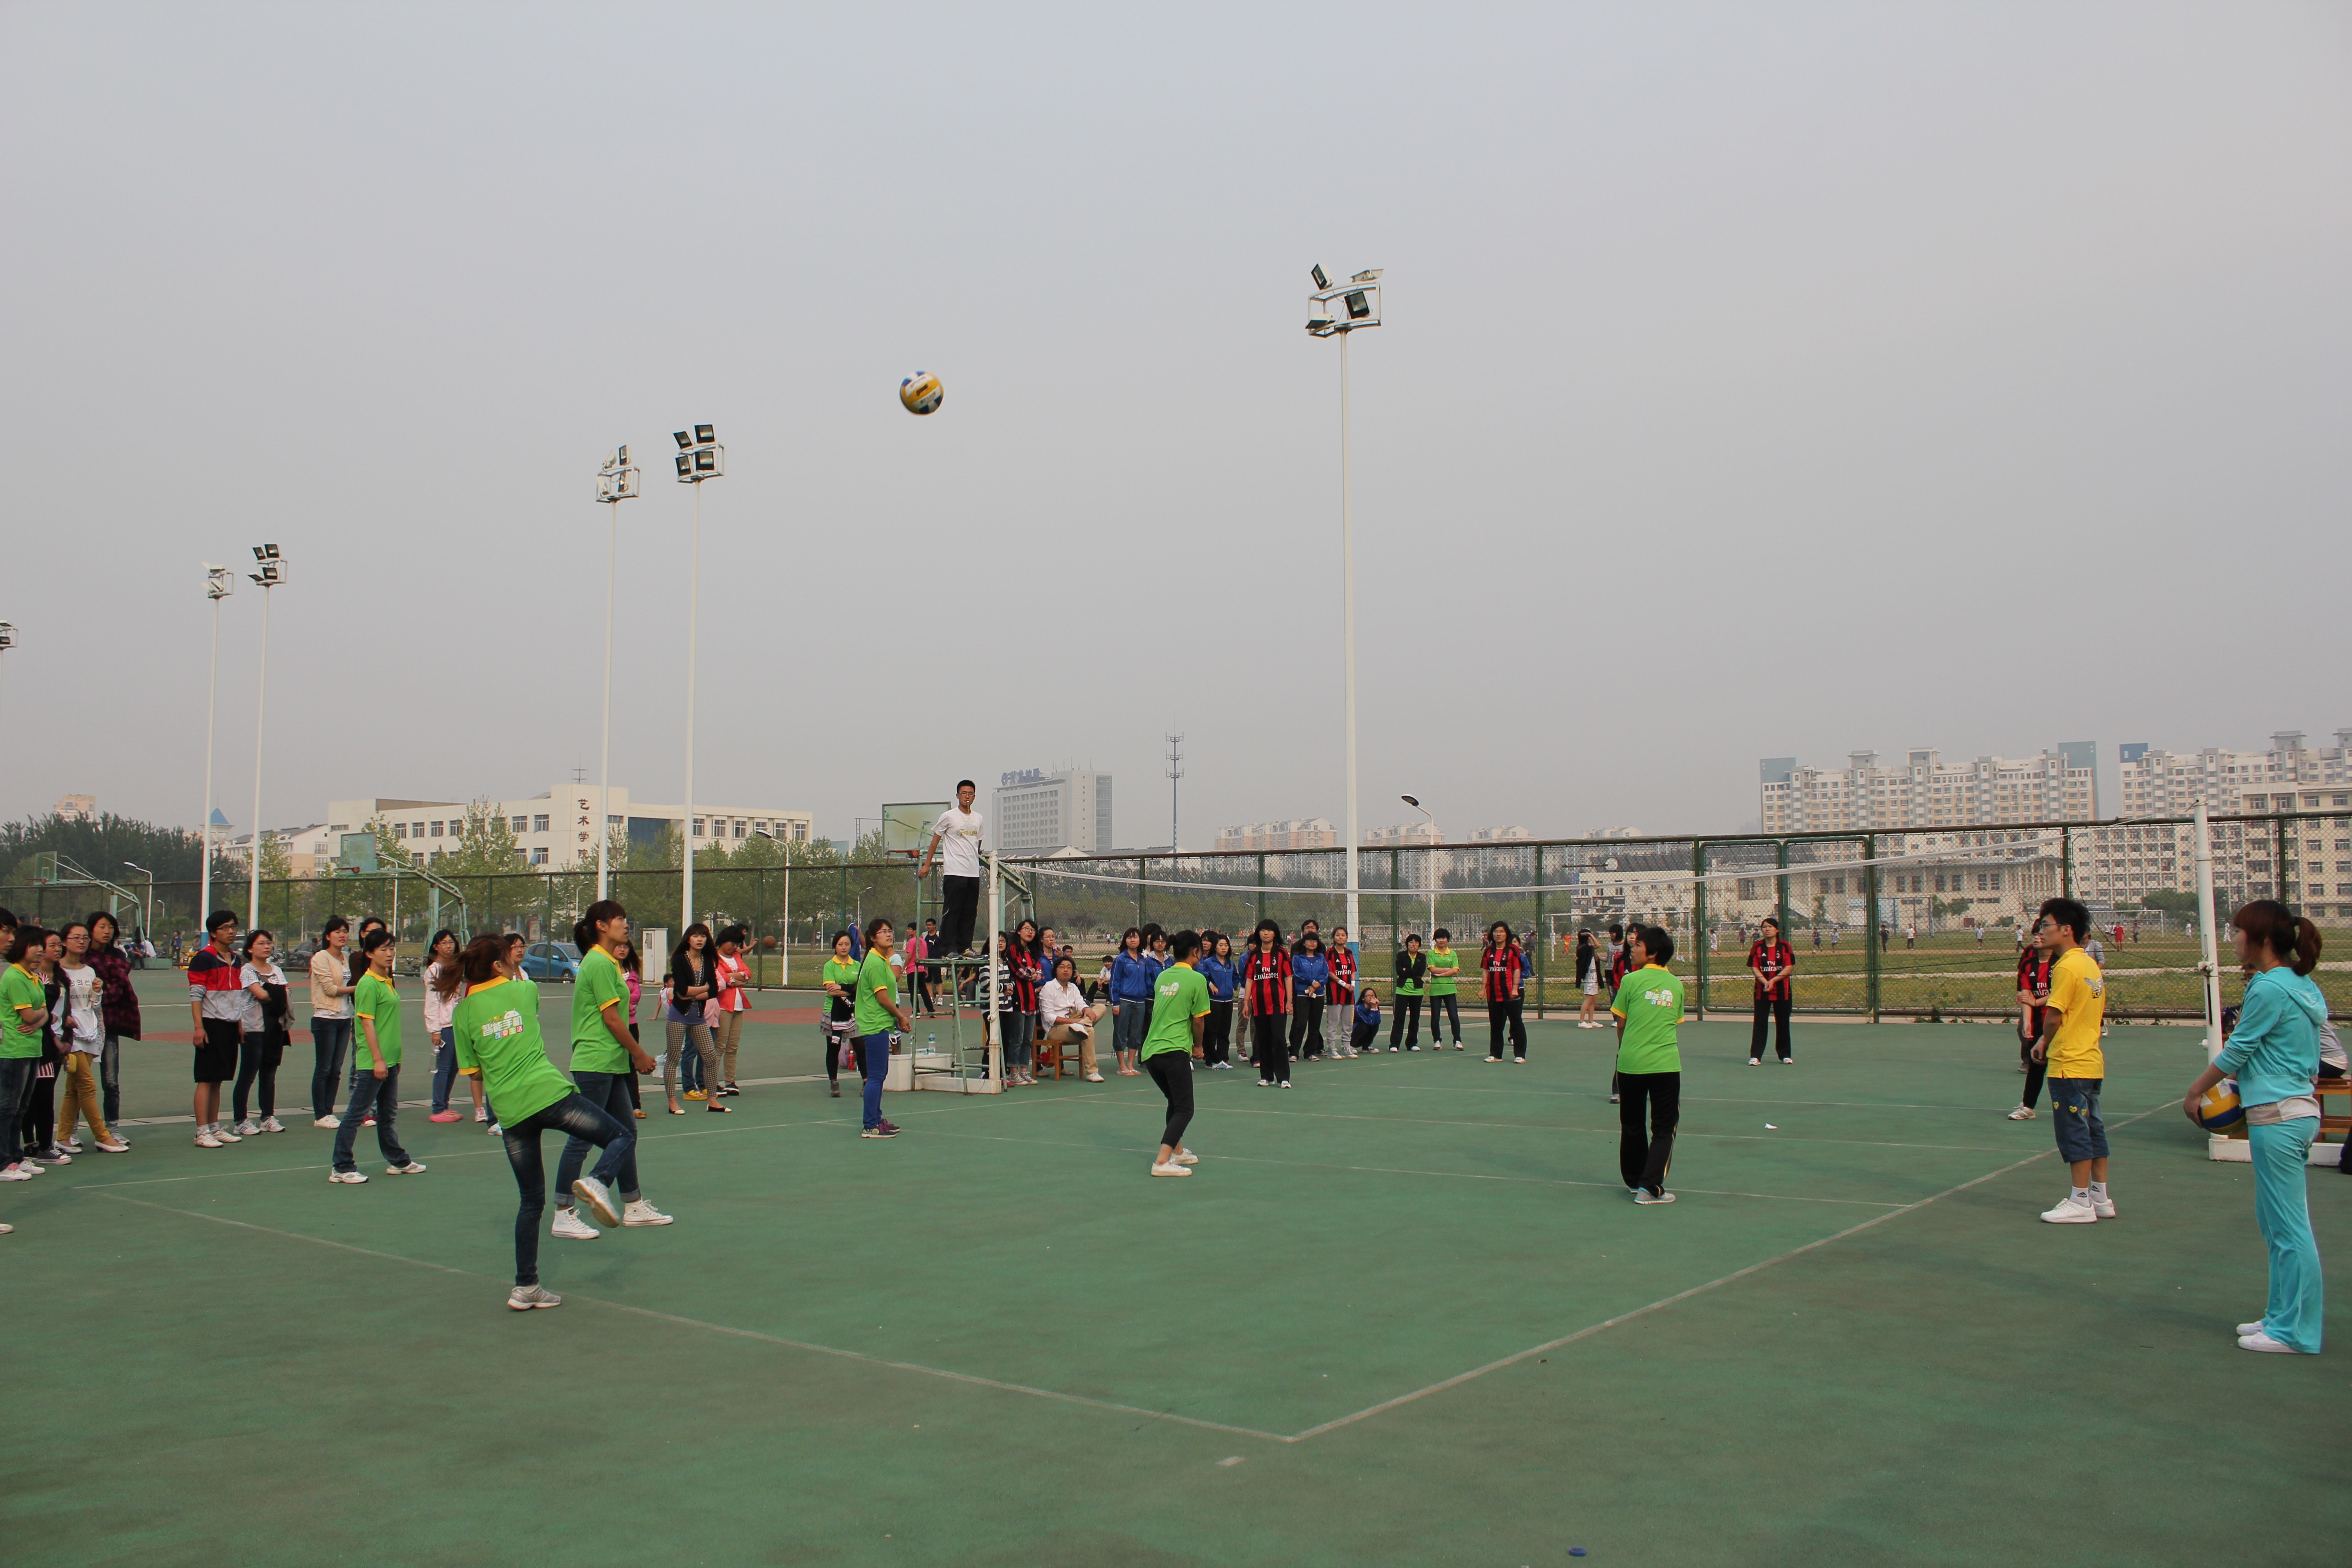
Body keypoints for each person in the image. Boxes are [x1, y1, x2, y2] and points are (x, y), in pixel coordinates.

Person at [450, 932, 635, 1311]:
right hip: (548, 1095)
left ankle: (526, 1287)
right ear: (499, 965)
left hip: (510, 1113)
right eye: (510, 955)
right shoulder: (525, 991)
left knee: (531, 1201)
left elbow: (474, 1071)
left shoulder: (462, 1013)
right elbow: (522, 999)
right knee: (621, 1136)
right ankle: (598, 1180)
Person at [2182, 902, 2326, 1353]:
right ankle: (2280, 1316)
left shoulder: (2268, 987)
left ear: (2261, 939)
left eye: (2239, 931)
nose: (2234, 939)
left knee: (2290, 1228)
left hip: (2281, 1117)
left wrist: (2195, 1092)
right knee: (2275, 1223)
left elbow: (2238, 1049)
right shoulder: (2299, 983)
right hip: (2291, 1113)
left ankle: (2296, 1332)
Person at [549, 900, 669, 1240]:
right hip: (596, 1061)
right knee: (582, 1138)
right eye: (620, 919)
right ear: (601, 926)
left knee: (627, 1132)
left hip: (610, 1063)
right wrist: (639, 1055)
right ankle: (565, 1210)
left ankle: (633, 1205)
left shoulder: (608, 962)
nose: (626, 925)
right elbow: (612, 1019)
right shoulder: (600, 963)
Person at [2027, 897, 2111, 1225]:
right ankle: (2100, 1196)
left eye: (2046, 925)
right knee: (2094, 1129)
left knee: (2074, 1131)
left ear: (2066, 930)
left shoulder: (2065, 967)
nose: (2041, 930)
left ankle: (2080, 1201)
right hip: (2091, 1061)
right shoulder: (2089, 965)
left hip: (2069, 1064)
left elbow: (2054, 1015)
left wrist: (2044, 1040)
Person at [328, 930, 423, 1183]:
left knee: (388, 1114)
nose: (390, 953)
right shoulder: (368, 984)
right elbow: (367, 1024)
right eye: (383, 949)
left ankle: (398, 1160)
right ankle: (341, 1166)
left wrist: (395, 1058)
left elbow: (389, 1023)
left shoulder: (386, 981)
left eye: (392, 948)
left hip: (389, 1060)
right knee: (356, 1114)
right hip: (373, 1062)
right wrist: (378, 1059)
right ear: (370, 954)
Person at [1611, 924, 1684, 1205]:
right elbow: (1673, 1022)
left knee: (1632, 1123)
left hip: (1630, 1064)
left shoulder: (1630, 981)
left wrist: (1627, 1047)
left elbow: (1621, 1023)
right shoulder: (1676, 985)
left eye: (1638, 945)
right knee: (1664, 1127)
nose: (1632, 948)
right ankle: (1649, 1187)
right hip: (1664, 1064)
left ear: (1652, 953)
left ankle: (1635, 1180)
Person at [1141, 930, 1210, 1176]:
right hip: (1174, 1050)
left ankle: (1177, 1151)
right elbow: (1199, 1021)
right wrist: (1198, 1046)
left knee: (1175, 1101)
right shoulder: (1197, 979)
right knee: (1185, 1109)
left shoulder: (1163, 976)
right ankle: (1161, 1162)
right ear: (1196, 952)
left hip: (1151, 1052)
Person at [54, 921, 127, 1154]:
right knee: (87, 1085)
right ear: (64, 941)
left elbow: (93, 1004)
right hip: (69, 1034)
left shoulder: (89, 971)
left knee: (74, 1090)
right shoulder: (57, 971)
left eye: (85, 938)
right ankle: (102, 1136)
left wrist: (97, 991)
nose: (82, 942)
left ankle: (63, 1137)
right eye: (76, 938)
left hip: (89, 1031)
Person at [187, 908, 248, 1148]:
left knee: (219, 1079)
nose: (231, 931)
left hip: (230, 1025)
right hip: (211, 1024)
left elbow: (237, 995)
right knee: (206, 1078)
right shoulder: (203, 958)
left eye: (234, 927)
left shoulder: (236, 959)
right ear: (213, 933)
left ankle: (214, 1126)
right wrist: (199, 1028)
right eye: (225, 928)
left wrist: (239, 1024)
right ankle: (201, 1131)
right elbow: (196, 995)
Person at [852, 917, 911, 1138]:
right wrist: (900, 1017)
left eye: (890, 931)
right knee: (876, 1076)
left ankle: (876, 1119)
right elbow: (883, 998)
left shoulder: (881, 959)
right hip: (874, 1024)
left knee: (880, 1074)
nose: (889, 934)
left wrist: (894, 1020)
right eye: (883, 932)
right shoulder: (876, 963)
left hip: (879, 1023)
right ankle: (870, 1125)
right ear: (872, 938)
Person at [230, 927, 291, 1136]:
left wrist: (274, 992)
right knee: (248, 1075)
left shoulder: (276, 970)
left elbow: (285, 993)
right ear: (250, 949)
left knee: (269, 1075)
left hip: (275, 1028)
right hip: (253, 1028)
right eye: (261, 944)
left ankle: (267, 1117)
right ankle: (241, 1120)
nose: (267, 947)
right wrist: (276, 993)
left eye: (269, 943)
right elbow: (262, 995)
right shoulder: (247, 971)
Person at [1, 927, 50, 1184]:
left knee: (20, 1108)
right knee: (8, 1108)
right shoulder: (15, 977)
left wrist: (40, 1017)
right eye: (35, 945)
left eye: (42, 945)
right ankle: (4, 1162)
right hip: (14, 1050)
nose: (41, 950)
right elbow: (30, 1016)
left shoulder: (33, 977)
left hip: (32, 1048)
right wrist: (40, 1017)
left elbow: (45, 1013)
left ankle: (17, 1157)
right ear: (22, 947)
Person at [85, 911, 139, 1128]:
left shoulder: (117, 956)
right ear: (91, 930)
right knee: (79, 1081)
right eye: (102, 927)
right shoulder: (81, 956)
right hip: (83, 1025)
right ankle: (71, 1132)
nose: (107, 931)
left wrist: (103, 989)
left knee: (111, 1081)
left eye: (110, 927)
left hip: (108, 1024)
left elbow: (119, 989)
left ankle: (112, 1128)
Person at [918, 781, 985, 955]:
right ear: (958, 796)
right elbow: (935, 840)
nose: (967, 796)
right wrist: (927, 864)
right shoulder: (949, 816)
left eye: (970, 793)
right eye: (964, 793)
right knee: (952, 911)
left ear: (974, 796)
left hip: (973, 873)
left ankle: (965, 946)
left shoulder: (978, 818)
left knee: (969, 912)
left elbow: (978, 841)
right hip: (954, 872)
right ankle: (948, 948)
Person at [666, 924, 723, 1111]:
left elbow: (713, 990)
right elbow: (681, 990)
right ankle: (672, 1102)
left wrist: (695, 994)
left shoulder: (708, 960)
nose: (700, 940)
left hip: (698, 1016)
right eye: (695, 936)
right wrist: (703, 988)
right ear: (688, 939)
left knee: (710, 1057)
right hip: (678, 1016)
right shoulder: (679, 959)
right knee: (674, 1057)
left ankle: (712, 1100)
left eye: (703, 936)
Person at [308, 916, 357, 1127]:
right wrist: (360, 988)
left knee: (336, 1069)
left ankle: (329, 1111)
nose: (342, 935)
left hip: (345, 1018)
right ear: (328, 936)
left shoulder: (346, 957)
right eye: (337, 932)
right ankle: (321, 1115)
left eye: (345, 931)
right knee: (324, 1067)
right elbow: (330, 989)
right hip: (326, 1017)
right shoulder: (321, 957)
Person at [2008, 930, 2055, 1121]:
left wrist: (2037, 1002)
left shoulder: (2061, 964)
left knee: (2061, 1065)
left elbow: (2060, 992)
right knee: (2036, 1063)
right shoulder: (2029, 964)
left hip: (2057, 1020)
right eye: (2036, 934)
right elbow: (2026, 994)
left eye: (2042, 934)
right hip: (2038, 1022)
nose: (2037, 938)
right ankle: (2028, 1106)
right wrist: (2027, 1022)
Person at [424, 930, 470, 1122]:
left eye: (451, 942)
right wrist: (435, 1030)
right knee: (444, 1067)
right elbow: (432, 1002)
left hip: (456, 1023)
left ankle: (445, 1104)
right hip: (444, 1026)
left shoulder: (454, 967)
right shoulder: (434, 971)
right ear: (436, 947)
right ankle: (438, 1107)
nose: (449, 946)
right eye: (444, 943)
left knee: (453, 1067)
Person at [1241, 919, 1294, 1087]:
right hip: (1259, 1005)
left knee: (1279, 1039)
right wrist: (1246, 1003)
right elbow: (1249, 980)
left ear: (1275, 934)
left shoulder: (1282, 954)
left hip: (1278, 1004)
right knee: (1263, 1040)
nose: (1266, 933)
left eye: (1269, 930)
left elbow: (1288, 978)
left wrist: (1290, 1001)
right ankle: (1267, 1076)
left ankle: (1284, 1078)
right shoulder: (1254, 956)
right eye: (1263, 930)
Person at [1039, 955, 1105, 1080]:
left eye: (1069, 968)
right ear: (1056, 971)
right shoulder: (1049, 988)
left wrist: (1086, 1010)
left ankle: (1082, 1025)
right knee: (1089, 1031)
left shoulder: (1073, 987)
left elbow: (1081, 1003)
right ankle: (1092, 1072)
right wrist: (1074, 1021)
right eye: (1062, 967)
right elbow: (1049, 1018)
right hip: (1056, 1029)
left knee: (1101, 1008)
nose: (1066, 970)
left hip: (1077, 1023)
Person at [1747, 915, 1795, 1066]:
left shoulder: (1785, 946)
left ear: (1777, 930)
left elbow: (1789, 966)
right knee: (1760, 1023)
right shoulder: (1758, 947)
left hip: (1782, 991)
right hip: (1762, 991)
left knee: (1783, 1023)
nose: (1767, 930)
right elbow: (1755, 967)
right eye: (1764, 927)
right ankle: (1756, 1056)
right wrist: (1765, 982)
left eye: (1770, 927)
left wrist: (1774, 981)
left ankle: (1785, 1055)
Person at [1109, 926, 1156, 1078]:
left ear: (1140, 940)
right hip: (1124, 1001)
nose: (1132, 940)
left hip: (1140, 1002)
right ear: (1125, 941)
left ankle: (1130, 1065)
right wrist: (1116, 1003)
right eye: (1129, 938)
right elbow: (1114, 982)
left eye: (1135, 937)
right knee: (1121, 1032)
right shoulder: (1121, 959)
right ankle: (1122, 1066)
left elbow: (1148, 981)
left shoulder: (1144, 960)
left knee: (1136, 1034)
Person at [819, 931, 858, 1102]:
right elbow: (832, 991)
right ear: (835, 946)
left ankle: (866, 1081)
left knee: (860, 1046)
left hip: (854, 1012)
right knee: (833, 1047)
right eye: (840, 944)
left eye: (847, 944)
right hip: (832, 1012)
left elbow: (861, 988)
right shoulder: (830, 965)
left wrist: (843, 987)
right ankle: (834, 1082)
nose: (844, 947)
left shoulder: (857, 965)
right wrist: (851, 989)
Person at [1481, 921, 1528, 1063]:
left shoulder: (1513, 950)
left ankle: (1520, 1055)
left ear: (1507, 934)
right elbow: (1486, 971)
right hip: (1493, 994)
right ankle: (1496, 1054)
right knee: (1496, 1025)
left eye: (1501, 932)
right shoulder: (1489, 951)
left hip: (1510, 993)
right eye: (1496, 932)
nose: (1498, 934)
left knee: (1516, 1023)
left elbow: (1517, 970)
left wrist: (1515, 989)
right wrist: (1483, 989)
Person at [712, 925, 750, 1097]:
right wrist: (736, 978)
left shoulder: (736, 956)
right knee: (720, 1045)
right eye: (732, 943)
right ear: (723, 940)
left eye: (737, 944)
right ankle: (712, 1081)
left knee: (733, 1046)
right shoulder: (714, 957)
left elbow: (748, 974)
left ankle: (730, 1081)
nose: (734, 947)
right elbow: (721, 978)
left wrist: (732, 978)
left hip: (738, 1005)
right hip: (723, 1006)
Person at [1289, 931, 1330, 1063]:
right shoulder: (1298, 958)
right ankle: (1294, 1052)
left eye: (1315, 941)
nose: (1312, 943)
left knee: (1315, 1024)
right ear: (1304, 943)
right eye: (1309, 941)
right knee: (1301, 1024)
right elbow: (1297, 973)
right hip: (1302, 994)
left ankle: (1310, 1052)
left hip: (1318, 994)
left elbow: (1325, 974)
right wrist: (1311, 982)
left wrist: (1316, 985)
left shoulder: (1321, 958)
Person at [1198, 933, 1238, 1070]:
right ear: (1215, 947)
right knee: (1212, 1031)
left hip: (1228, 1001)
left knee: (1225, 1031)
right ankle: (1210, 1059)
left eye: (1226, 945)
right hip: (1214, 1000)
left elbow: (1236, 977)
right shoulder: (1208, 963)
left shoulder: (1230, 964)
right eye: (1221, 945)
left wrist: (1233, 987)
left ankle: (1223, 1058)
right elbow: (1203, 976)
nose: (1224, 948)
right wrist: (1210, 984)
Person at [1425, 929, 1464, 1049]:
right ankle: (1437, 1040)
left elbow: (1456, 970)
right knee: (1435, 1017)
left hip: (1450, 989)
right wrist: (1448, 970)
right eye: (1439, 938)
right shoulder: (1431, 954)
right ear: (1435, 940)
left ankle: (1457, 1041)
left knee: (1454, 1016)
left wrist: (1441, 973)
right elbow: (1433, 970)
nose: (1441, 941)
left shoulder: (1453, 954)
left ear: (1448, 939)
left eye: (1444, 938)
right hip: (1436, 990)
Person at [1389, 934, 1427, 1051]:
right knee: (1399, 1018)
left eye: (1416, 943)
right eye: (1411, 942)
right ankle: (1394, 1044)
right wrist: (1411, 971)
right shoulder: (1401, 956)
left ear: (1419, 945)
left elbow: (1420, 972)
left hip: (1417, 991)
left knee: (1415, 1019)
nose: (1413, 945)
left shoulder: (1422, 957)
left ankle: (1412, 1043)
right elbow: (1400, 972)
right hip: (1402, 991)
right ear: (1407, 944)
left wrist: (1407, 970)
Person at [1327, 927, 1359, 1058]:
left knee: (1348, 1022)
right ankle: (1331, 1049)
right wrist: (1344, 984)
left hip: (1349, 994)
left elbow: (1353, 970)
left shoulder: (1349, 952)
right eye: (1338, 935)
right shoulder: (1330, 953)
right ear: (1334, 937)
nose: (1341, 938)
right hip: (1335, 992)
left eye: (1343, 935)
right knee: (1333, 1022)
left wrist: (1353, 985)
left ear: (1346, 937)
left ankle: (1346, 1047)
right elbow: (1330, 972)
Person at [1575, 931, 1603, 1028]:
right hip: (1589, 976)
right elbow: (1598, 945)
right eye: (1589, 937)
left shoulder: (1589, 949)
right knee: (1588, 998)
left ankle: (1591, 1021)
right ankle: (1581, 1021)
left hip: (1594, 975)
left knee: (1593, 999)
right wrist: (1591, 935)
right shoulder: (1584, 948)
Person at [1350, 986, 1383, 1055]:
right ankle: (1351, 1046)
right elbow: (1369, 1022)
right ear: (1363, 998)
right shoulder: (1358, 1009)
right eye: (1368, 996)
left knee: (1376, 1026)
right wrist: (1373, 1008)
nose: (1371, 998)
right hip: (1354, 1034)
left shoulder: (1375, 1007)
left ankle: (1366, 1047)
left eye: (1373, 996)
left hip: (1365, 1036)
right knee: (1364, 1026)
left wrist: (1375, 1008)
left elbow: (1378, 1022)